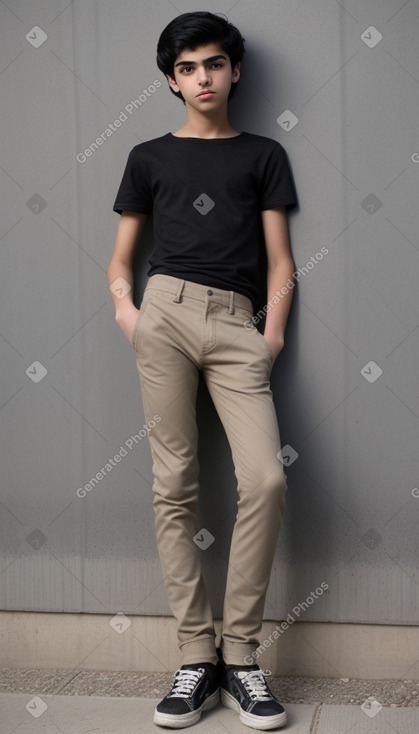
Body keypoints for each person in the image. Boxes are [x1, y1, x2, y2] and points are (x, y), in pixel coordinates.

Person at [107, 10, 297, 730]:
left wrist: (269, 338)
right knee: (174, 485)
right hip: (163, 312)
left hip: (235, 323)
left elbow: (280, 262)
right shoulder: (148, 156)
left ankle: (241, 656)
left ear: (234, 69)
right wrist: (131, 315)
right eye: (186, 68)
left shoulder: (262, 154)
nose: (201, 78)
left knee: (266, 479)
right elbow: (118, 261)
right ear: (170, 80)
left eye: (213, 63)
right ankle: (196, 655)